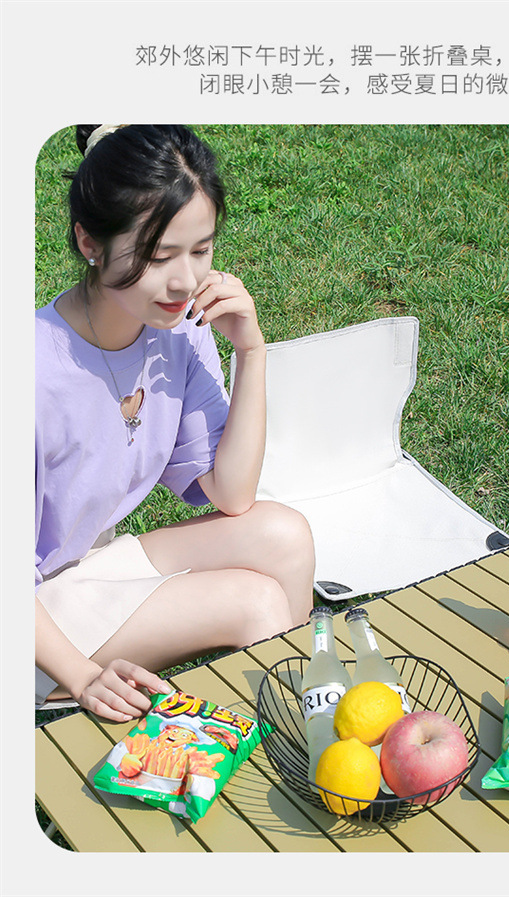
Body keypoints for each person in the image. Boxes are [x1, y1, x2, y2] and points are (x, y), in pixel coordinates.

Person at [35, 124, 315, 723]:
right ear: (89, 241)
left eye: (201, 250)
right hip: (32, 617)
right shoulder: (31, 372)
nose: (185, 280)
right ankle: (291, 741)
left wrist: (251, 351)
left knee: (285, 535)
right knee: (256, 602)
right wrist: (83, 677)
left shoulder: (178, 327)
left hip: (88, 569)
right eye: (159, 256)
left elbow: (231, 493)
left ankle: (305, 716)